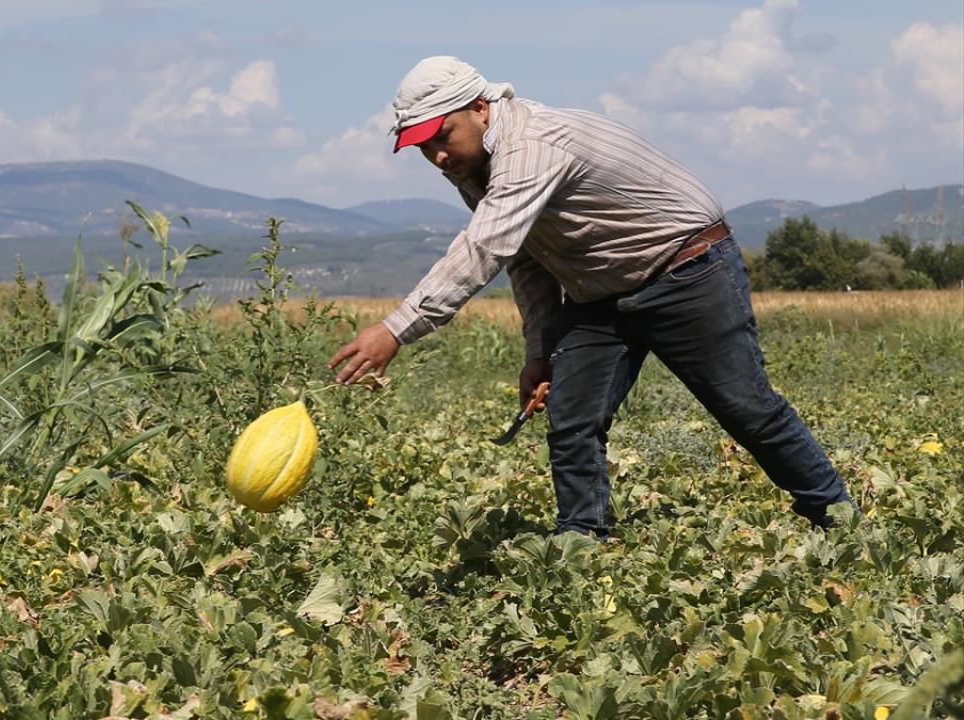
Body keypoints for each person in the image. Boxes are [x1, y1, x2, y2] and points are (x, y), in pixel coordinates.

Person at [327, 56, 853, 537]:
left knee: (747, 409)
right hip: (599, 292)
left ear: (480, 108)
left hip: (686, 268)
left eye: (442, 136)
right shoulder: (473, 167)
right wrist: (541, 350)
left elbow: (484, 246)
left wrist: (396, 328)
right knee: (572, 421)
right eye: (422, 148)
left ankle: (837, 518)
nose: (438, 155)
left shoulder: (532, 146)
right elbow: (526, 259)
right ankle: (582, 541)